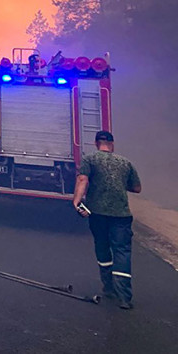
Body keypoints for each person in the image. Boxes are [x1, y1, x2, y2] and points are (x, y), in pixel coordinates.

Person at [73, 130, 142, 309]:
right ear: (112, 144)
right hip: (121, 215)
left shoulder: (90, 159)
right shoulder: (125, 163)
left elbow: (83, 180)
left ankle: (108, 287)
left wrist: (77, 200)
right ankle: (125, 298)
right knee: (122, 251)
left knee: (102, 247)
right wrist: (119, 183)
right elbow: (136, 188)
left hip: (98, 214)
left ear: (96, 143)